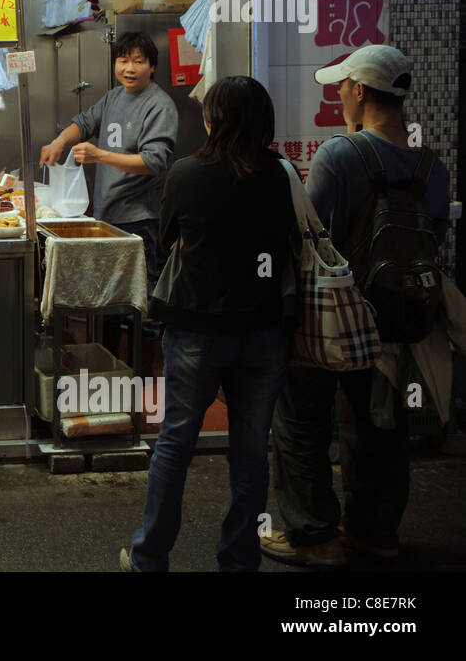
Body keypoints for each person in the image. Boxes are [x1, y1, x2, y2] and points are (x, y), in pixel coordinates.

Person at [263, 45, 450, 569]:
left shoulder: (339, 155)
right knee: (380, 424)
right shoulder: (432, 167)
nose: (339, 95)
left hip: (336, 319)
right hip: (398, 318)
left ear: (361, 91)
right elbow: (433, 238)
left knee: (301, 418)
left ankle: (314, 535)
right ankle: (375, 532)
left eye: (342, 86)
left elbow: (311, 239)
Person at [121, 76, 297, 572]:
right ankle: (239, 561)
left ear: (213, 119)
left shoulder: (187, 173)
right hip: (263, 329)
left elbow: (167, 239)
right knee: (250, 449)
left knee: (176, 442)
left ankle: (151, 557)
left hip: (197, 326)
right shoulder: (280, 174)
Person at [39, 31, 179, 342]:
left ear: (152, 67)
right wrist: (59, 141)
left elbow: (154, 161)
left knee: (141, 303)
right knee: (109, 301)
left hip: (139, 220)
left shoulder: (159, 105)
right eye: (123, 60)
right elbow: (85, 122)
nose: (129, 68)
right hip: (106, 218)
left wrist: (99, 154)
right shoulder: (114, 97)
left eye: (138, 62)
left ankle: (145, 376)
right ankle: (112, 368)